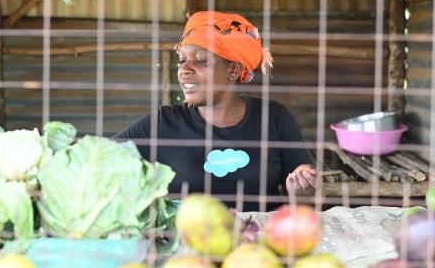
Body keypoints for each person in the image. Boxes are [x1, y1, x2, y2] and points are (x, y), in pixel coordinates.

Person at [114, 11, 316, 210]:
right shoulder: (162, 123)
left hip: (258, 238)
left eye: (200, 60)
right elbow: (103, 159)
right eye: (182, 60)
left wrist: (302, 193)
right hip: (188, 240)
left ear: (233, 71)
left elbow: (305, 199)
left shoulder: (274, 118)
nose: (185, 70)